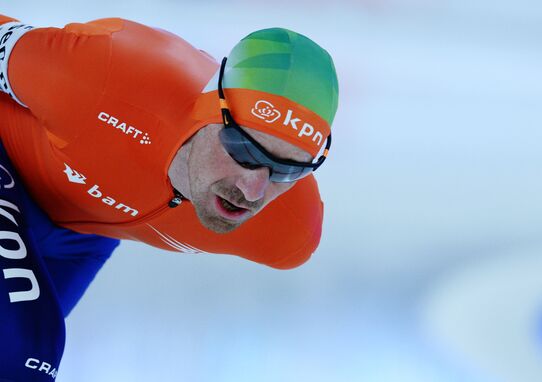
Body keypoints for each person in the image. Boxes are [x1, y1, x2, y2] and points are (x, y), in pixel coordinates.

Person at [0, 14, 338, 381]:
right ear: (207, 113)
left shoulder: (289, 232)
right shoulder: (103, 75)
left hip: (78, 239)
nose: (252, 190)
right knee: (25, 356)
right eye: (243, 150)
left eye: (288, 171)